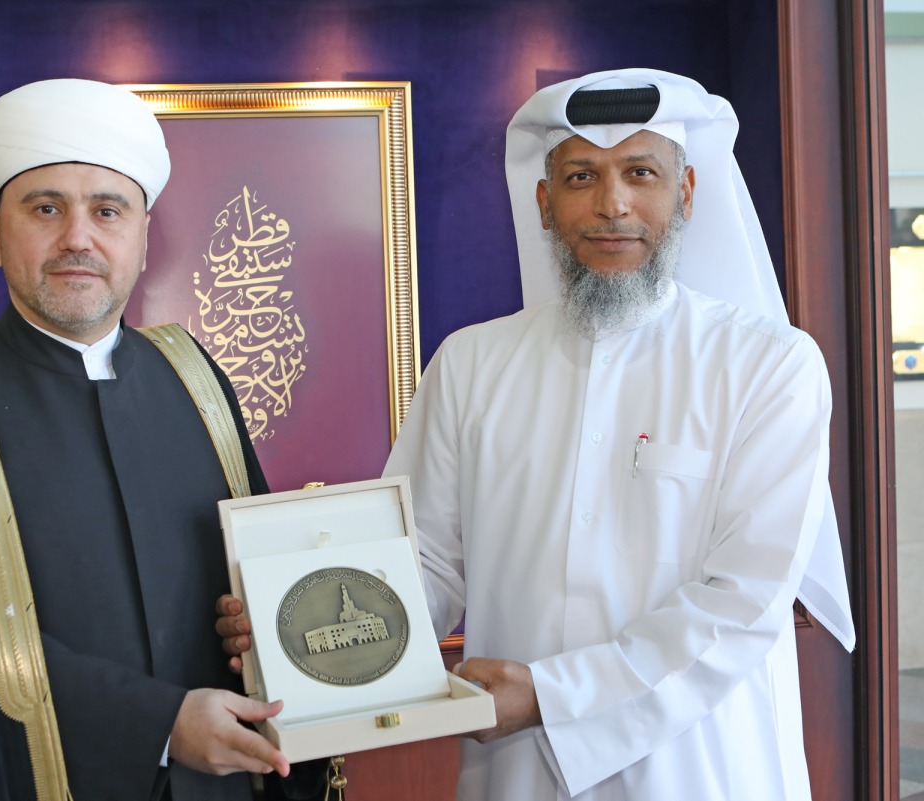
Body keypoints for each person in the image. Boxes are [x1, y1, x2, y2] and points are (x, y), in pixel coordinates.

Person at [221, 69, 855, 800]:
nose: (612, 204)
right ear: (545, 203)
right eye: (582, 176)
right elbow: (421, 564)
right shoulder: (471, 363)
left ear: (684, 193)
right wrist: (293, 627)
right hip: (519, 773)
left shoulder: (768, 364)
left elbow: (743, 601)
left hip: (700, 770)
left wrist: (550, 696)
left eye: (640, 173)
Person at [0, 78, 299, 801]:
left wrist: (257, 624)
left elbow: (252, 580)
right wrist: (157, 724)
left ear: (144, 238)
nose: (78, 237)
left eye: (107, 210)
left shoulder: (193, 376)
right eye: (45, 208)